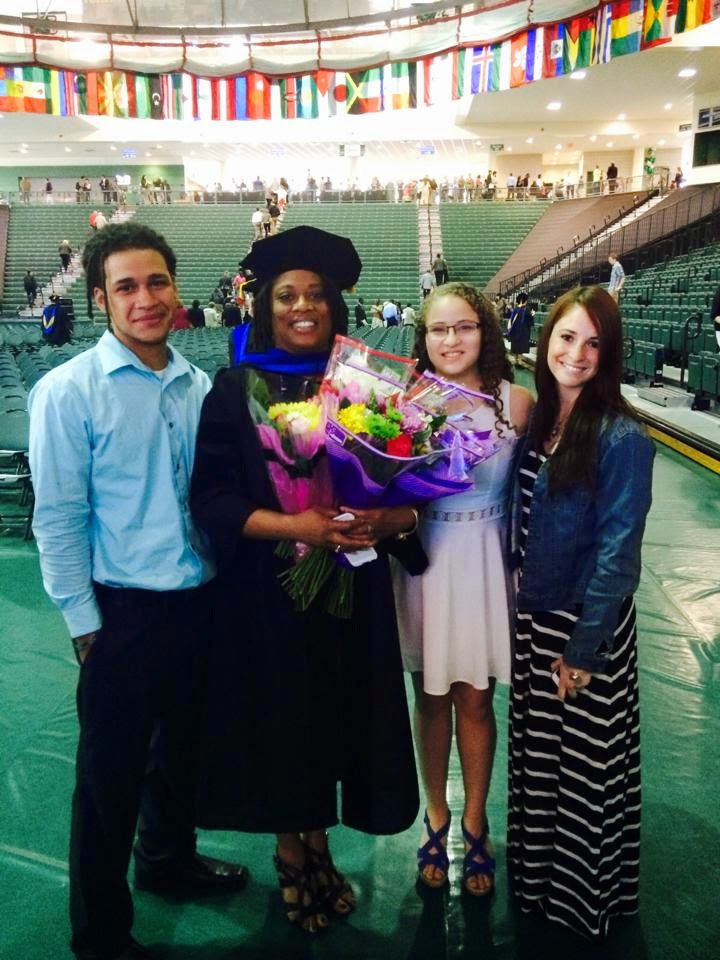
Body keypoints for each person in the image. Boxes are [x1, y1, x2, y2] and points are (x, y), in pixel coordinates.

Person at [190, 225, 420, 935]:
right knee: (282, 719)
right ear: (265, 305)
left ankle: (319, 838)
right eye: (287, 295)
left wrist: (387, 521)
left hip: (353, 589)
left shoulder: (368, 383)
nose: (303, 307)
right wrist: (301, 528)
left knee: (336, 715)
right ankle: (292, 849)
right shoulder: (233, 390)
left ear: (335, 305)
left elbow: (410, 483)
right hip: (267, 593)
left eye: (317, 295)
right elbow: (213, 502)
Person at [28, 222, 248, 960]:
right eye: (126, 286)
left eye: (157, 282)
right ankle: (100, 934)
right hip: (121, 612)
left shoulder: (197, 385)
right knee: (107, 782)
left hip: (198, 600)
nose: (145, 298)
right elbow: (56, 517)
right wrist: (83, 623)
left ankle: (168, 862)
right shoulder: (67, 393)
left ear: (176, 291)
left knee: (180, 758)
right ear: (100, 299)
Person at [507, 285, 655, 939]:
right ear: (546, 341)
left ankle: (580, 903)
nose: (577, 353)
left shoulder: (623, 439)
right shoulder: (539, 422)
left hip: (581, 630)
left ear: (610, 354)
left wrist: (583, 650)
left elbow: (617, 557)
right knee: (542, 770)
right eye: (567, 337)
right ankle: (538, 887)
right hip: (536, 621)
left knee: (584, 780)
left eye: (594, 343)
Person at [392, 282, 533, 897]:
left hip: (486, 559)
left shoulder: (519, 403)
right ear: (423, 339)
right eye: (438, 330)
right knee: (430, 698)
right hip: (427, 559)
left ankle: (475, 823)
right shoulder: (400, 404)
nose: (451, 340)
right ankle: (436, 816)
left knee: (477, 699)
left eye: (464, 327)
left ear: (486, 331)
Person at [505, 292, 533, 362]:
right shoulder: (527, 310)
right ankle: (519, 360)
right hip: (524, 331)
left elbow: (511, 320)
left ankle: (516, 359)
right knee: (521, 346)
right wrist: (532, 315)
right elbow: (530, 321)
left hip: (516, 331)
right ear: (525, 301)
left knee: (516, 346)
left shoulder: (516, 309)